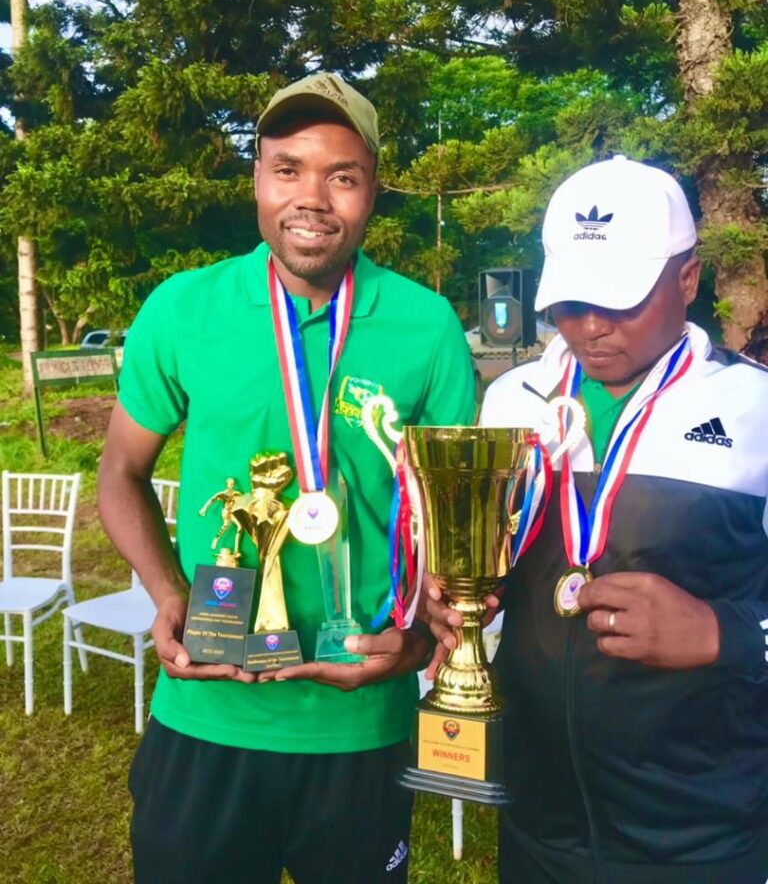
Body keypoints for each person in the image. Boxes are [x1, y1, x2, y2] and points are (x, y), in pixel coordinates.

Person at [97, 71, 475, 884]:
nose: (313, 198)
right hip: (207, 711)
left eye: (342, 176)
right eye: (288, 168)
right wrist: (168, 595)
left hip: (358, 724)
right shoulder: (183, 308)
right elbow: (121, 474)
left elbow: (454, 525)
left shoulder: (428, 326)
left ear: (373, 190)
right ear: (257, 180)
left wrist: (415, 644)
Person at [428, 156, 768, 884]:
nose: (588, 327)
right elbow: (499, 575)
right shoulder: (513, 399)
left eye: (618, 299)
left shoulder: (754, 408)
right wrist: (461, 602)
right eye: (571, 300)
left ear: (687, 277)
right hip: (538, 826)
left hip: (702, 840)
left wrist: (723, 633)